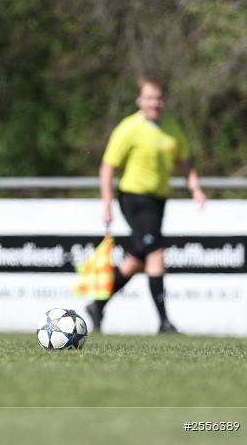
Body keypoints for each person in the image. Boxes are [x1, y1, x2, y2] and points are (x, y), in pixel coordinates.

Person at [86, 76, 207, 334]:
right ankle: (164, 321)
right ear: (140, 99)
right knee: (156, 252)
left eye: (159, 98)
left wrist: (194, 187)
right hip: (134, 198)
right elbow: (108, 168)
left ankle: (97, 305)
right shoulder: (129, 128)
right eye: (150, 97)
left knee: (138, 261)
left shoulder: (172, 128)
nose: (155, 103)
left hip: (158, 200)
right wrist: (107, 203)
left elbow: (183, 161)